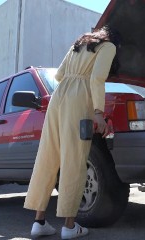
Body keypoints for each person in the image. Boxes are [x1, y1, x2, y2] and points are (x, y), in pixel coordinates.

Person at [23, 25, 121, 239]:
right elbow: (97, 79)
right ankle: (69, 226)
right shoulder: (109, 46)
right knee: (74, 159)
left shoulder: (78, 45)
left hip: (58, 98)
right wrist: (98, 113)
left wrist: (75, 75)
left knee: (48, 157)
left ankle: (39, 222)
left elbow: (58, 75)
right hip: (80, 100)